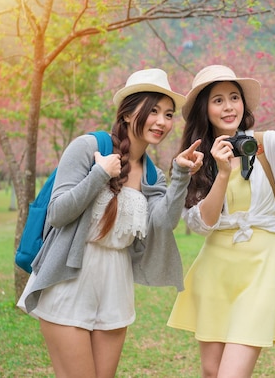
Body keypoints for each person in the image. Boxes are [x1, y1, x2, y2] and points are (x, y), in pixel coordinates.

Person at [17, 68, 203, 378]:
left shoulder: (153, 174)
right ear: (129, 113)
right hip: (69, 280)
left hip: (115, 286)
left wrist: (181, 175)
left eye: (168, 114)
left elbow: (163, 223)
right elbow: (58, 213)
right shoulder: (89, 147)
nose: (161, 121)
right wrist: (100, 174)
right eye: (153, 110)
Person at [167, 65, 275, 377]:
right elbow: (201, 224)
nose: (229, 106)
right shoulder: (197, 157)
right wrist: (222, 173)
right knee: (211, 371)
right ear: (204, 109)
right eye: (218, 100)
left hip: (262, 267)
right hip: (216, 270)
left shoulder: (264, 144)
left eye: (234, 97)